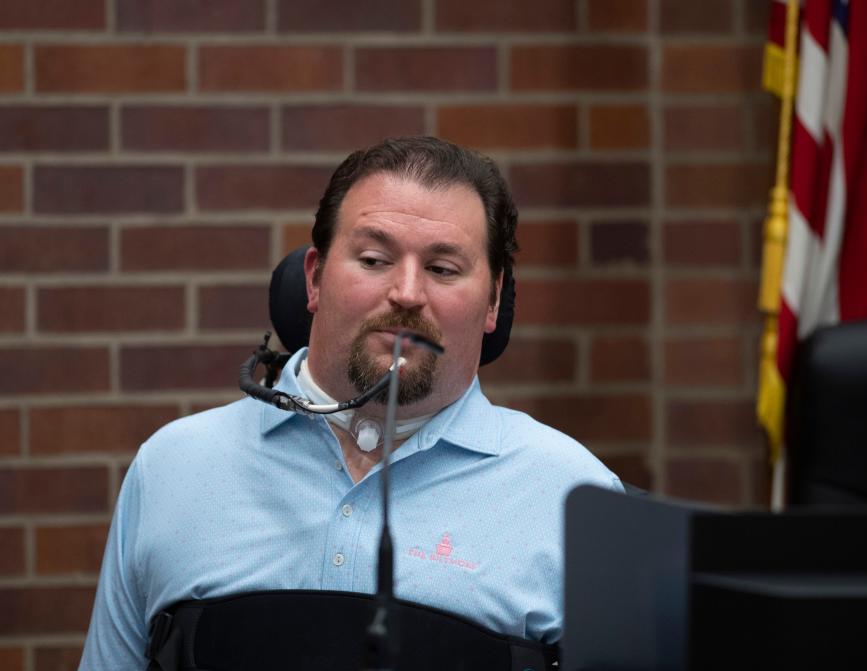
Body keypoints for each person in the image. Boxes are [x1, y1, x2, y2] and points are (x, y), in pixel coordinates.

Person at [79, 136, 622, 669]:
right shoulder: (174, 467)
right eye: (374, 259)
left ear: (494, 301)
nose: (408, 293)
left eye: (443, 269)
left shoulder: (575, 498)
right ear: (314, 279)